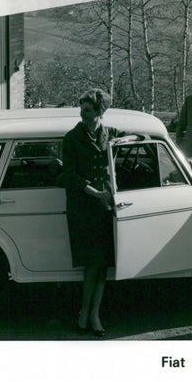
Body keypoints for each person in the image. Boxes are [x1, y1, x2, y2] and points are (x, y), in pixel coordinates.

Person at [62, 88, 120, 338]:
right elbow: (68, 175)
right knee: (92, 264)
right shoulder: (71, 138)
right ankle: (86, 313)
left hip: (105, 208)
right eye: (81, 110)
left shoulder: (110, 134)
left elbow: (131, 140)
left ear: (100, 112)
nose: (82, 114)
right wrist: (95, 192)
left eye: (87, 111)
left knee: (103, 266)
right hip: (84, 207)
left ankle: (92, 313)